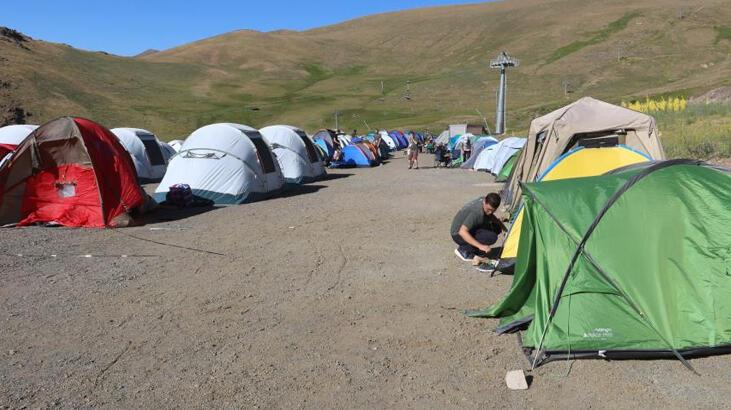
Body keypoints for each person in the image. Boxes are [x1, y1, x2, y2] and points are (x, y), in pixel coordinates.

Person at [450, 193, 507, 272]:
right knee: (491, 237)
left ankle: (472, 249)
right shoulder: (477, 212)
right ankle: (464, 250)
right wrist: (481, 246)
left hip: (465, 228)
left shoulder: (485, 200)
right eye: (488, 209)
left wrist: (503, 227)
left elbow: (490, 215)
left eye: (493, 211)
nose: (490, 212)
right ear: (485, 202)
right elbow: (462, 232)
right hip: (457, 234)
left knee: (496, 227)